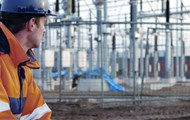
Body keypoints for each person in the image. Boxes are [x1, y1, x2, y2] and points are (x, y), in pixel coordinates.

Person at [0, 0, 54, 119]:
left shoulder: (21, 66)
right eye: (44, 23)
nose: (44, 30)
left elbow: (38, 114)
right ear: (32, 23)